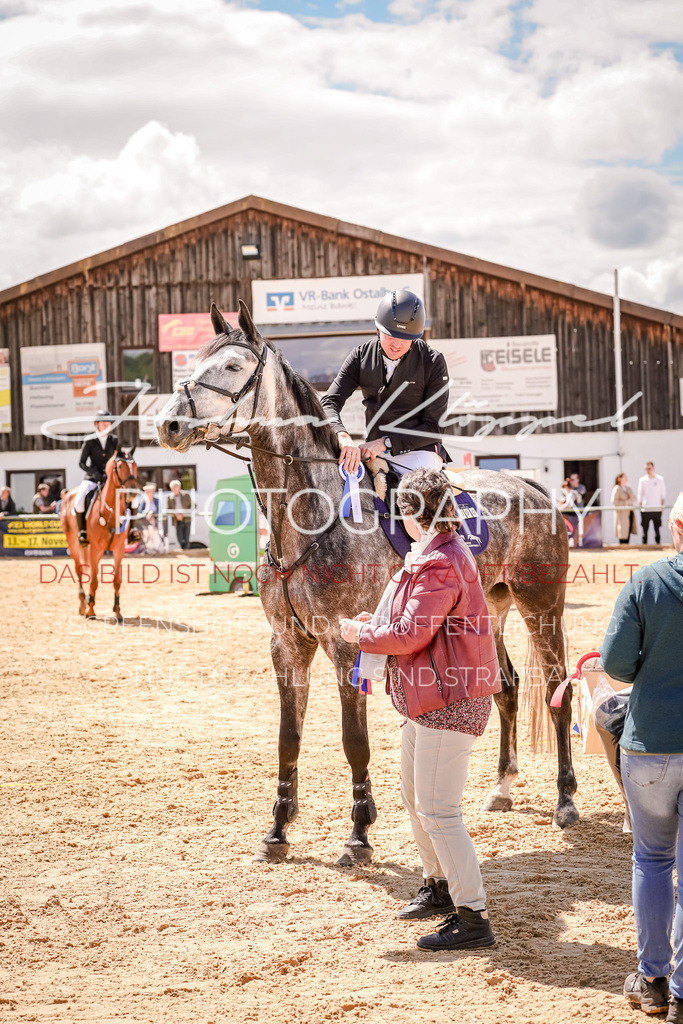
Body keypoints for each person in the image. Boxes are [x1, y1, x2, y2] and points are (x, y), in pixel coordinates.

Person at [339, 469, 501, 951]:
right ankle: (438, 887)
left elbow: (412, 635)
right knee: (417, 800)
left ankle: (473, 916)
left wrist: (361, 635)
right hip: (428, 695)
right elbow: (410, 622)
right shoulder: (434, 554)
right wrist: (379, 621)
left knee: (438, 810)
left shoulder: (440, 563)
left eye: (402, 511)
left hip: (449, 699)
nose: (398, 519)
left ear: (416, 514)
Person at [600, 491, 683, 1022]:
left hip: (652, 746)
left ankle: (653, 977)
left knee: (652, 861)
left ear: (676, 527)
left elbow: (615, 667)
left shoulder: (646, 581)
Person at [320, 289, 451, 478]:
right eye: (391, 335)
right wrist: (341, 435)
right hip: (373, 453)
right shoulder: (360, 356)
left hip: (420, 453)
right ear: (378, 329)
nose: (397, 344)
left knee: (417, 492)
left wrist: (385, 443)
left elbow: (434, 427)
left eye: (406, 339)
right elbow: (329, 402)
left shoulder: (433, 362)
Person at [74, 410, 119, 545]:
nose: (106, 425)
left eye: (108, 423)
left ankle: (129, 529)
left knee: (126, 499)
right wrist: (94, 473)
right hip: (92, 478)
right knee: (79, 501)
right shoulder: (89, 441)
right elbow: (81, 463)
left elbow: (116, 459)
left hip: (109, 479)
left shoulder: (114, 440)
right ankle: (82, 531)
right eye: (103, 423)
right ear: (97, 424)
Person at [637, 461, 667, 545]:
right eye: (646, 469)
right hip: (645, 509)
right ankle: (644, 546)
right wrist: (640, 507)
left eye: (649, 468)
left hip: (656, 509)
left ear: (653, 468)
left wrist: (661, 508)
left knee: (657, 529)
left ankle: (658, 545)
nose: (648, 470)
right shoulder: (642, 480)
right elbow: (640, 494)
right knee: (644, 529)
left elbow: (663, 494)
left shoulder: (660, 479)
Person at [167, 479, 192, 549]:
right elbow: (168, 509)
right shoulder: (169, 497)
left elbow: (193, 506)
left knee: (186, 537)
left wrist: (185, 512)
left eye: (176, 486)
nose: (175, 488)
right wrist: (176, 514)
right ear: (171, 488)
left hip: (187, 519)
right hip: (177, 520)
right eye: (173, 487)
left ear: (180, 487)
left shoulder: (186, 495)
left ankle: (187, 551)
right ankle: (182, 550)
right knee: (179, 537)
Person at [611, 473, 636, 545]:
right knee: (622, 531)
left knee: (628, 529)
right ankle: (622, 546)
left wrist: (631, 499)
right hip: (622, 514)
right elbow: (614, 501)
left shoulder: (628, 488)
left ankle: (627, 545)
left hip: (629, 512)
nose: (626, 479)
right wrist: (626, 502)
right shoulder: (617, 488)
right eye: (624, 478)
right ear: (619, 478)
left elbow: (634, 497)